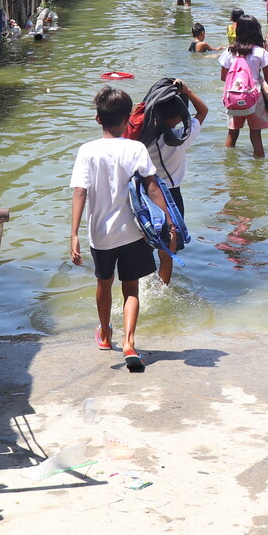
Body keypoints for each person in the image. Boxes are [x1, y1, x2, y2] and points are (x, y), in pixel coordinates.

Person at [70, 87, 177, 372]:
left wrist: (74, 234)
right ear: (128, 119)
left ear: (97, 118)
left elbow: (80, 192)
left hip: (100, 234)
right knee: (131, 288)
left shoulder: (87, 151)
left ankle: (105, 334)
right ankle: (129, 343)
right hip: (133, 232)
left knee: (103, 284)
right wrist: (169, 222)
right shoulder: (136, 148)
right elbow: (153, 188)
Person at [143, 80, 208, 286]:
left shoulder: (142, 139)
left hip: (145, 195)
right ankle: (163, 287)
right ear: (180, 117)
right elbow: (203, 111)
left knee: (143, 245)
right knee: (167, 250)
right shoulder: (182, 137)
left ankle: (140, 285)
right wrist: (187, 90)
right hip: (172, 198)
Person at [219, 16, 268, 158]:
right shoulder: (260, 52)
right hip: (255, 96)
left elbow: (223, 77)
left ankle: (229, 169)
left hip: (235, 95)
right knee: (256, 134)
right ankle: (258, 174)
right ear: (255, 31)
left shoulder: (229, 51)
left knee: (233, 133)